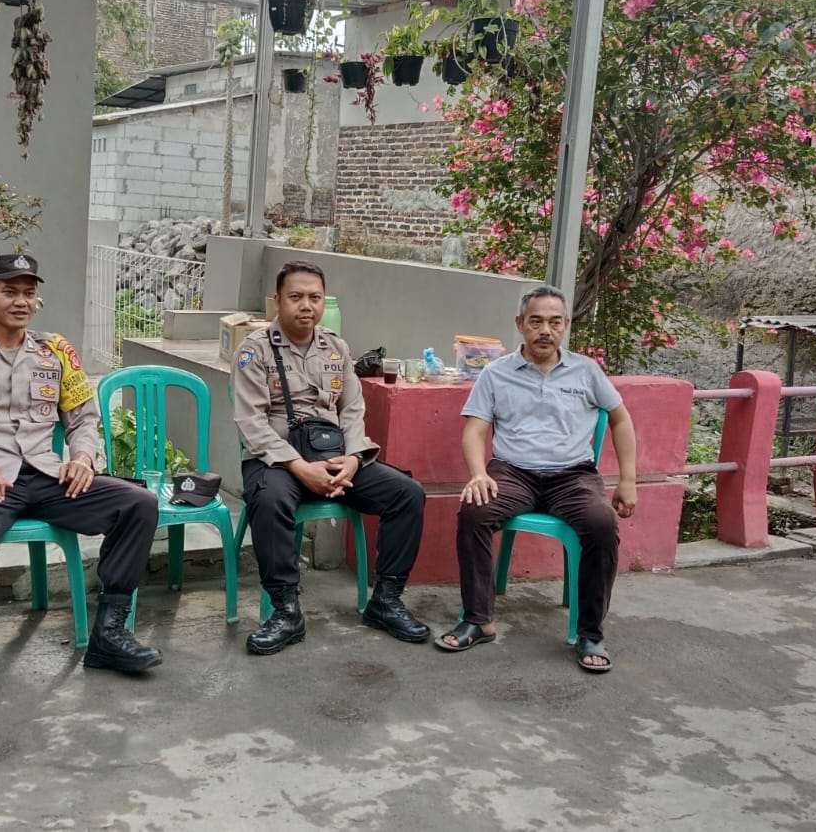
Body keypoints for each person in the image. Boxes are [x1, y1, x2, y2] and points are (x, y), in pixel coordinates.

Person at [0, 253, 162, 719]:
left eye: (28, 293)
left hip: (47, 476)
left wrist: (82, 458)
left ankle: (109, 632)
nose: (21, 301)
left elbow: (83, 418)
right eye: (9, 291)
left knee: (139, 503)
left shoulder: (56, 352)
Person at [231, 260, 431, 656]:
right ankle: (286, 611)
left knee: (407, 493)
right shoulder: (255, 350)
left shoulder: (336, 347)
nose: (306, 306)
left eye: (315, 297)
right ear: (277, 301)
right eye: (296, 297)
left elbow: (352, 409)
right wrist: (300, 468)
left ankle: (386, 600)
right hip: (277, 460)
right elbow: (250, 421)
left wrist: (353, 459)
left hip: (335, 457)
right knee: (269, 500)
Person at [436, 285, 637, 674]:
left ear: (566, 325)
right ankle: (478, 620)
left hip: (573, 476)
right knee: (474, 511)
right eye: (536, 321)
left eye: (555, 322)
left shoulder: (587, 371)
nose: (546, 330)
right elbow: (475, 430)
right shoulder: (496, 373)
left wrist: (628, 480)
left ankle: (590, 633)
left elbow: (620, 419)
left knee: (601, 524)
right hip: (512, 473)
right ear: (520, 324)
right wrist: (478, 474)